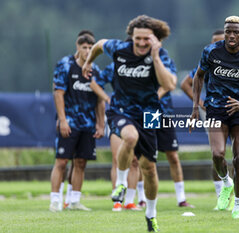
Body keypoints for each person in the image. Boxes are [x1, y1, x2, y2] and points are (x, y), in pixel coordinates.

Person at [83, 15, 176, 232]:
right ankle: (121, 184)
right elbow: (98, 45)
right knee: (130, 136)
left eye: (147, 39)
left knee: (149, 169)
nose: (142, 43)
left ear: (154, 39)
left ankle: (151, 214)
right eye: (138, 39)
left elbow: (170, 83)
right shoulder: (119, 49)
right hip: (121, 110)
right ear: (131, 37)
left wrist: (155, 57)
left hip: (150, 113)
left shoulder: (160, 54)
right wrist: (88, 62)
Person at [191, 16, 239, 219]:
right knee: (217, 154)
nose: (231, 35)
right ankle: (226, 183)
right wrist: (195, 106)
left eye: (235, 32)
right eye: (228, 32)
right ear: (224, 33)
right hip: (215, 109)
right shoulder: (211, 51)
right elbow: (198, 76)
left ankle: (238, 207)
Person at [50, 34, 105, 212]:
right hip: (70, 122)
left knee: (81, 162)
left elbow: (99, 100)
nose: (88, 51)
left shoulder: (94, 70)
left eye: (91, 48)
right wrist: (63, 119)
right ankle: (55, 200)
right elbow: (58, 93)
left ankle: (74, 201)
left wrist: (100, 124)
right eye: (85, 47)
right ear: (78, 46)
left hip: (88, 124)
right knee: (62, 162)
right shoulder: (65, 65)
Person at [181, 29, 226, 210]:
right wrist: (200, 103)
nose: (217, 45)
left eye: (220, 41)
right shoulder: (207, 62)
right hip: (214, 112)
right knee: (217, 154)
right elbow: (186, 83)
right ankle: (220, 196)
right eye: (214, 42)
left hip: (236, 112)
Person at [93, 62, 142, 211]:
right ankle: (117, 201)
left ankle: (129, 201)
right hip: (118, 116)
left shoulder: (146, 66)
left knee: (134, 161)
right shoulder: (115, 65)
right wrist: (107, 98)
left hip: (138, 117)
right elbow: (94, 84)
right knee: (117, 159)